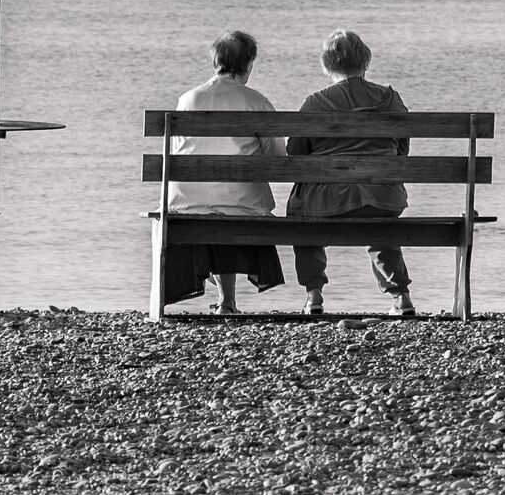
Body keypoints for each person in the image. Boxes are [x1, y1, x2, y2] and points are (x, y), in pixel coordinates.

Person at [287, 30, 417, 318]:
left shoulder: (315, 103)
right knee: (378, 216)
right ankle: (401, 296)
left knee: (300, 214)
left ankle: (314, 296)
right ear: (365, 62)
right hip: (384, 199)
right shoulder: (391, 99)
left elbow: (295, 154)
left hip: (326, 202)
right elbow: (402, 150)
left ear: (326, 65)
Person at [160, 28, 284, 314]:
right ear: (248, 64)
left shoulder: (187, 100)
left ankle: (226, 302)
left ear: (215, 61)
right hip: (242, 204)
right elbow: (278, 160)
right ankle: (227, 302)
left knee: (214, 205)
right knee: (230, 203)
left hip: (186, 203)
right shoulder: (257, 102)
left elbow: (178, 152)